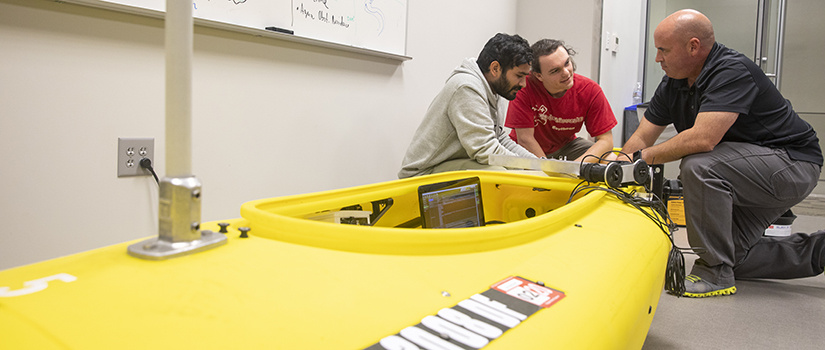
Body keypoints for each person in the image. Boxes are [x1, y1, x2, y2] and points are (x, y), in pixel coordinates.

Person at [620, 9, 824, 297]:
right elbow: (642, 136)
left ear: (693, 46)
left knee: (700, 166)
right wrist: (619, 163)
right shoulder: (674, 81)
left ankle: (713, 273)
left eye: (663, 50)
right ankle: (820, 251)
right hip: (745, 169)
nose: (657, 58)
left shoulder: (731, 70)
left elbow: (703, 138)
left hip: (790, 164)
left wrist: (642, 159)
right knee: (734, 256)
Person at [398, 33, 537, 178]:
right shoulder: (466, 87)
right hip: (422, 174)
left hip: (452, 165)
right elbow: (485, 150)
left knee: (507, 172)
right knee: (499, 174)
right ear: (495, 68)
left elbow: (499, 138)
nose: (523, 84)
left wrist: (539, 164)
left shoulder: (495, 89)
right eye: (519, 76)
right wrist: (530, 170)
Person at [505, 39, 617, 163]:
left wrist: (575, 167)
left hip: (566, 147)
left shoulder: (590, 90)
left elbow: (606, 140)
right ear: (538, 76)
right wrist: (549, 170)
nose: (566, 73)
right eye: (555, 71)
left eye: (567, 63)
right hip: (527, 150)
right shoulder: (524, 87)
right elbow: (525, 139)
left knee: (611, 158)